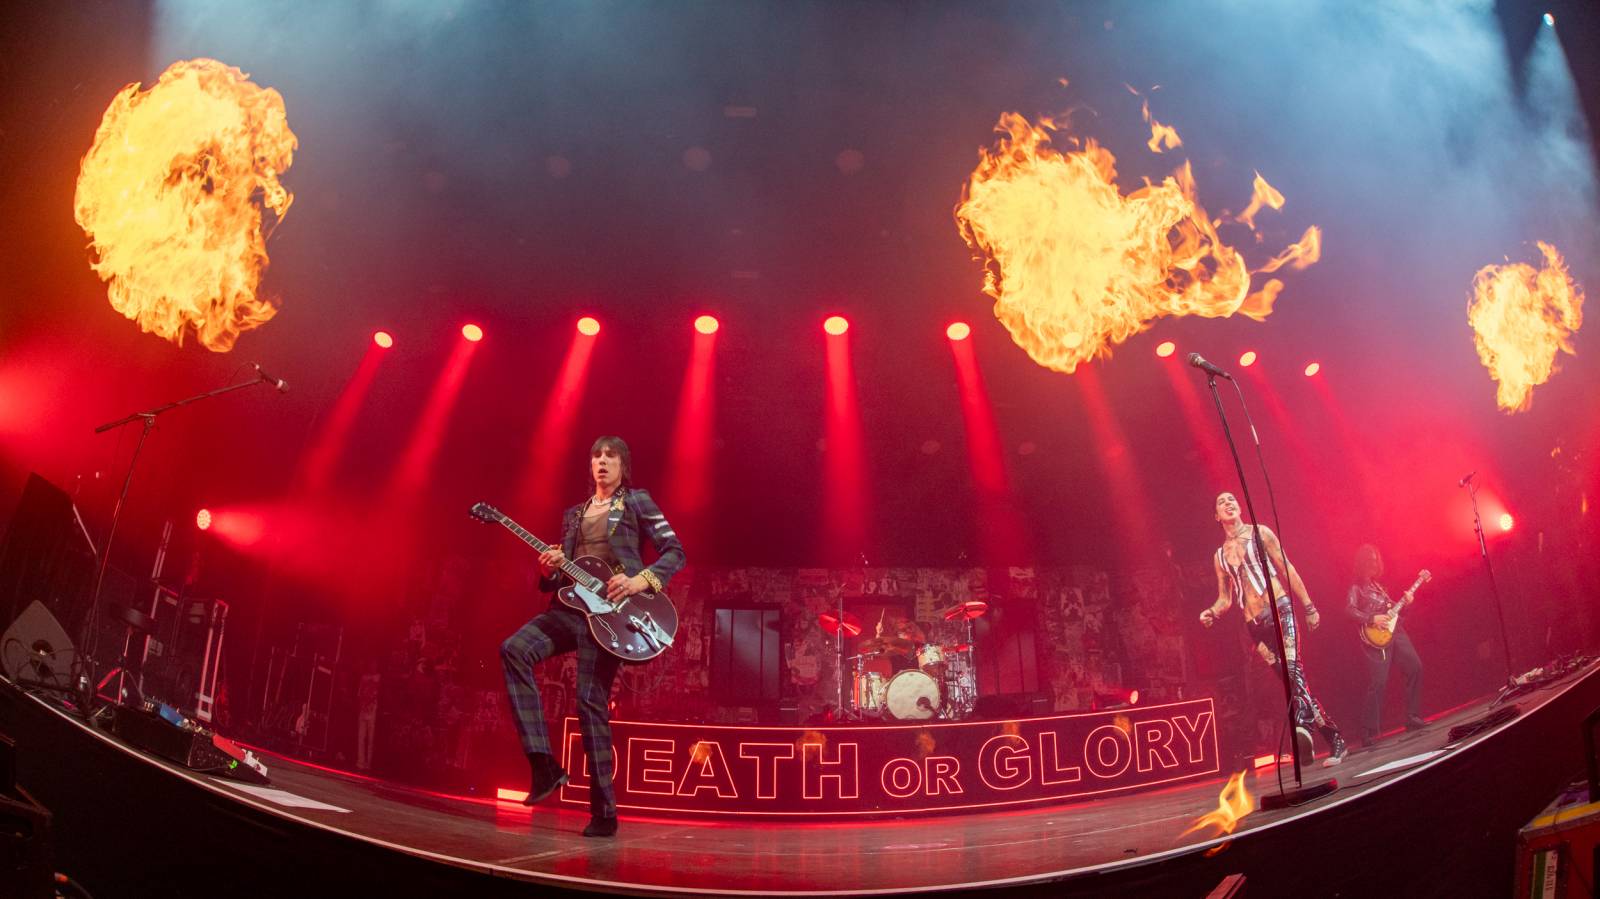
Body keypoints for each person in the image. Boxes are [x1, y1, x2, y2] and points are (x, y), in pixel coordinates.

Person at [499, 436, 686, 837]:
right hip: (572, 610)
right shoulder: (573, 515)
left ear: (623, 465)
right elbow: (562, 579)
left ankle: (604, 812)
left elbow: (675, 551)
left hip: (614, 617)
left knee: (588, 703)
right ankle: (543, 764)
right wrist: (549, 570)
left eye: (610, 456)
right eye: (597, 455)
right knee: (514, 649)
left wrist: (638, 581)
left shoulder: (636, 502)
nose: (602, 461)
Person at [1199, 492, 1346, 767]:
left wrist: (1309, 606)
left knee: (1294, 672)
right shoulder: (1219, 556)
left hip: (1280, 610)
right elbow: (1225, 599)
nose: (1228, 503)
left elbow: (1286, 568)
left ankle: (1303, 727)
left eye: (1232, 499)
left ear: (1239, 507)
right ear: (1216, 516)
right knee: (1293, 683)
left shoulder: (1260, 533)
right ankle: (1334, 738)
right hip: (1255, 628)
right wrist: (1211, 612)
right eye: (1221, 501)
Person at [1345, 544, 1425, 747]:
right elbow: (1349, 610)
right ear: (1363, 562)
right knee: (1378, 681)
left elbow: (1396, 614)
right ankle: (1367, 730)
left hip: (1395, 632)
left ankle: (1413, 716)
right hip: (1375, 638)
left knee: (1415, 667)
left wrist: (1407, 603)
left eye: (1376, 560)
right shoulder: (1356, 587)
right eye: (1370, 560)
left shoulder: (1379, 587)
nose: (1374, 563)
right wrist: (1372, 618)